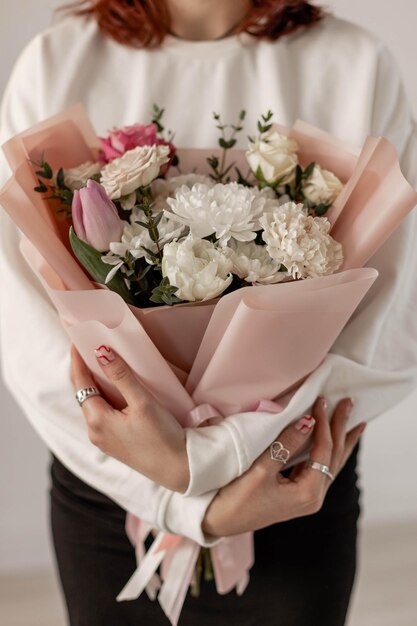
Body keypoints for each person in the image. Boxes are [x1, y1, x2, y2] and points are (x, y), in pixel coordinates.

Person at [1, 1, 417, 625]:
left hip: (289, 494)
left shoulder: (355, 67)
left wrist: (212, 462)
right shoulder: (57, 62)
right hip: (112, 497)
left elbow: (385, 320)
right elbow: (27, 329)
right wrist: (183, 494)